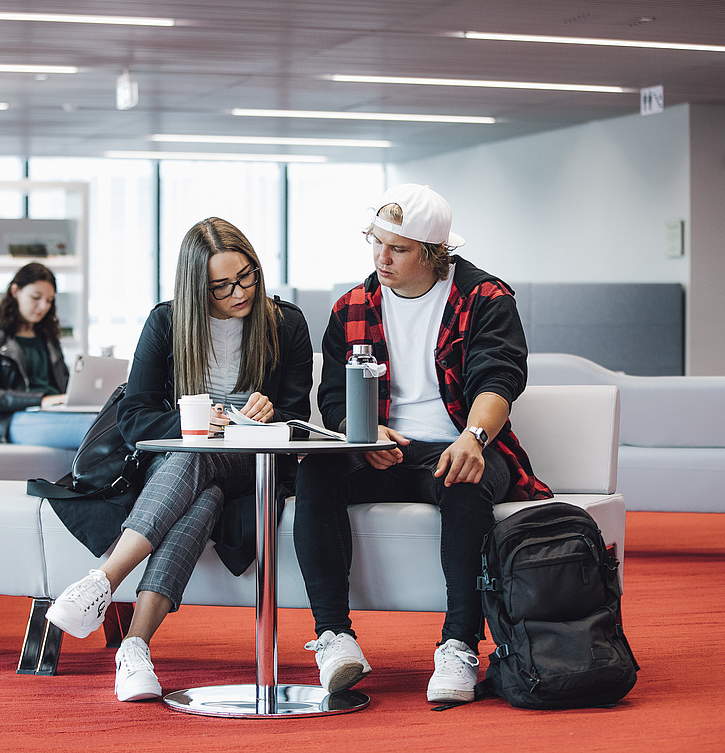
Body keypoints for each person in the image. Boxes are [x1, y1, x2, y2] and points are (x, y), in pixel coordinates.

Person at [292, 184, 552, 703]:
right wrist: (360, 434)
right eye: (375, 242)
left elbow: (498, 378)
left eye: (399, 248)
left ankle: (459, 645)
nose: (380, 258)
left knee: (464, 482)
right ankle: (334, 638)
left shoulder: (484, 298)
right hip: (382, 444)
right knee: (315, 472)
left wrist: (474, 438)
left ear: (433, 252)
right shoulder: (353, 305)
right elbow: (336, 397)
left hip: (461, 441)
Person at [45, 217, 313, 702]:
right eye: (221, 286)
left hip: (255, 465)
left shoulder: (286, 323)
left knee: (202, 468)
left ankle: (102, 582)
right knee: (201, 486)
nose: (240, 292)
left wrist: (272, 412)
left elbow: (297, 417)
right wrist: (196, 427)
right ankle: (134, 649)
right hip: (183, 465)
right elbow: (136, 417)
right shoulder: (167, 322)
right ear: (195, 289)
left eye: (247, 275)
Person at [0, 261, 93, 449]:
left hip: (55, 412)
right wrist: (42, 400)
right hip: (13, 417)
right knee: (96, 430)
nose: (43, 306)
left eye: (49, 300)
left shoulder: (49, 339)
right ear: (15, 292)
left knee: (110, 422)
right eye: (36, 297)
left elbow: (64, 384)